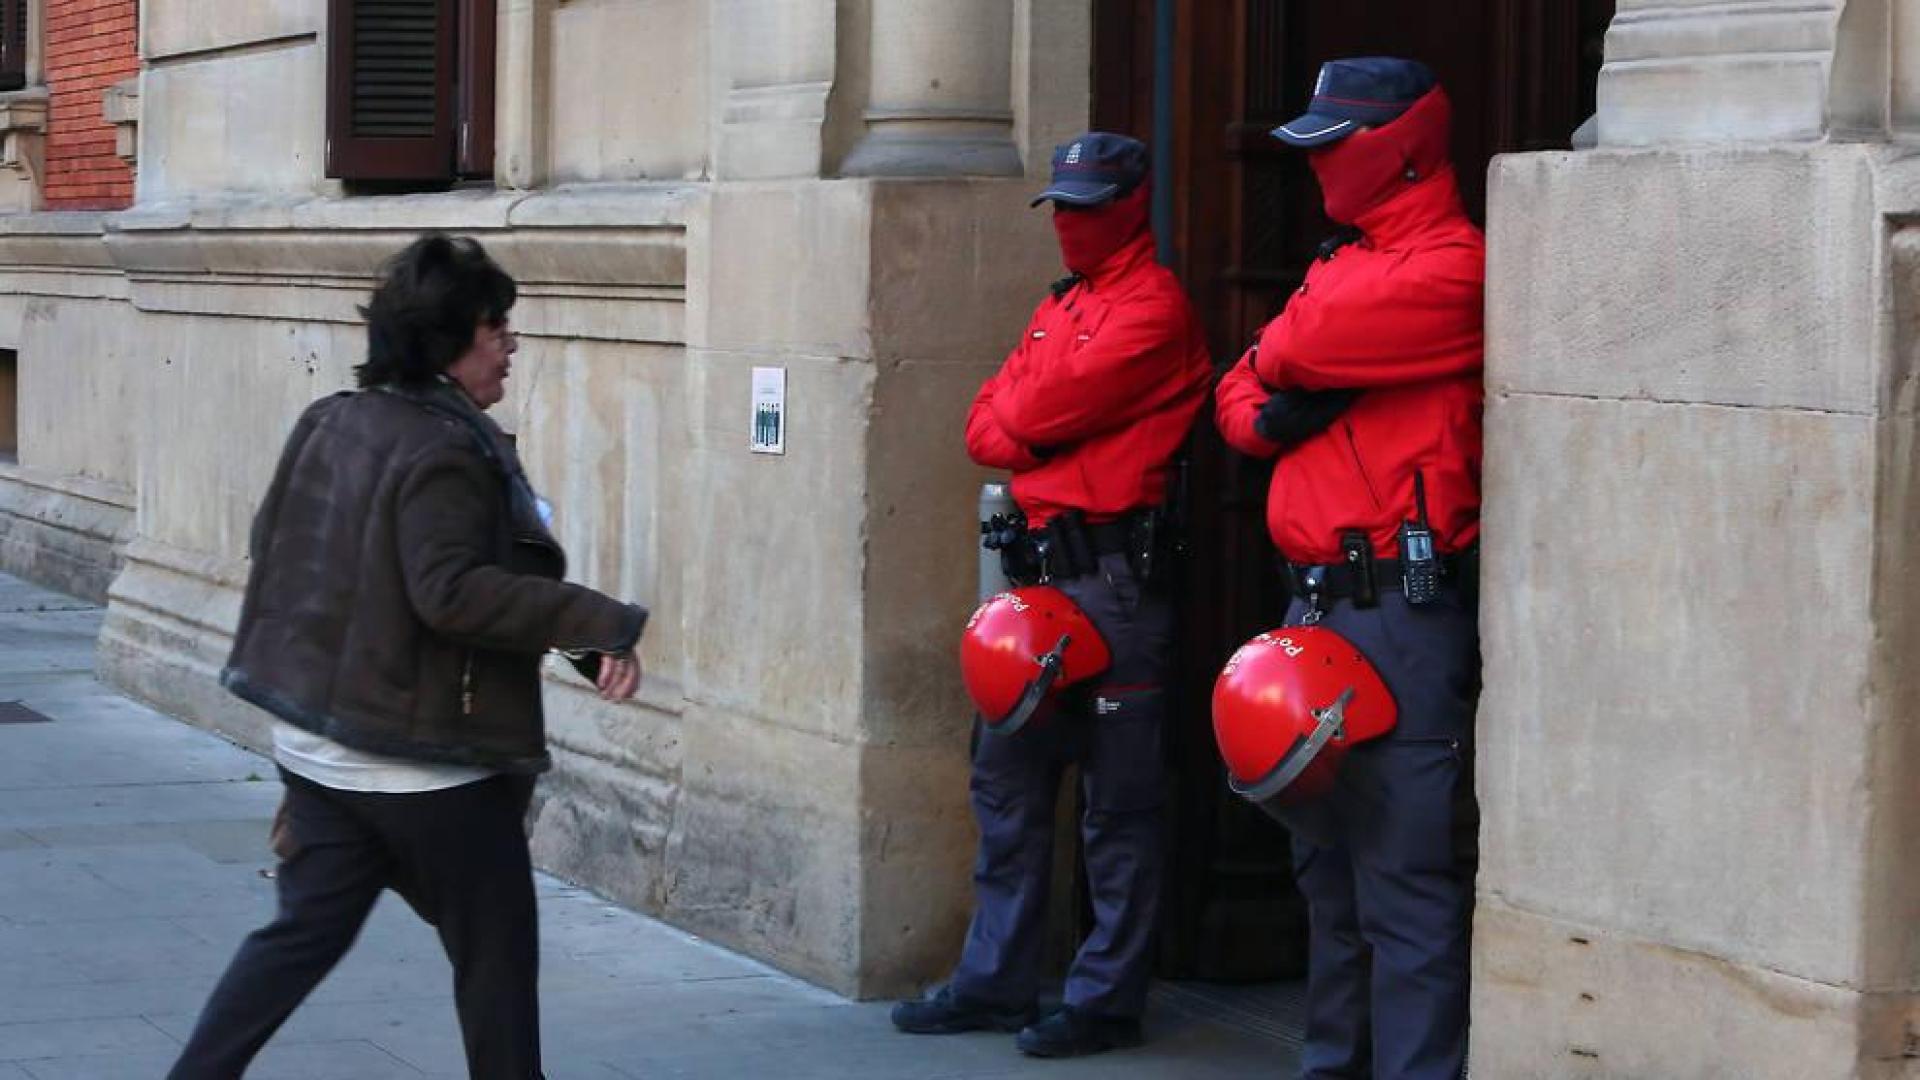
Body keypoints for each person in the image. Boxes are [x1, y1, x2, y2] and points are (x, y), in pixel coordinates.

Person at [166, 234, 647, 1080]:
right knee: (496, 959)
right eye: (497, 328)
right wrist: (598, 619)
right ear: (451, 339)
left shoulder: (334, 419)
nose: (511, 345)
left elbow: (290, 547)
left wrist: (573, 643)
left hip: (322, 752)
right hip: (424, 769)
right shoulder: (444, 449)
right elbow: (451, 593)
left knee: (294, 944)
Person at [890, 132, 1211, 1058]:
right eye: (1062, 205)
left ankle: (1105, 999)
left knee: (1119, 801)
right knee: (1008, 779)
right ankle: (995, 982)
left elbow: (1025, 413)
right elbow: (982, 425)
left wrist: (1028, 428)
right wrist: (1029, 428)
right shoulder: (1060, 304)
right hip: (1039, 578)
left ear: (1129, 205)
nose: (1069, 220)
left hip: (1113, 578)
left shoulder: (1152, 308)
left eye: (1087, 204)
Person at [1214, 57, 1486, 1080]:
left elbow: (1298, 344)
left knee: (1404, 882)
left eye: (1337, 145)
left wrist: (1278, 368)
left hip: (1399, 612)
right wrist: (1271, 392)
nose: (1320, 165)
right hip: (1314, 605)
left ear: (1398, 147)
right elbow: (1238, 397)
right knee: (1326, 878)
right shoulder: (1344, 262)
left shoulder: (1455, 264)